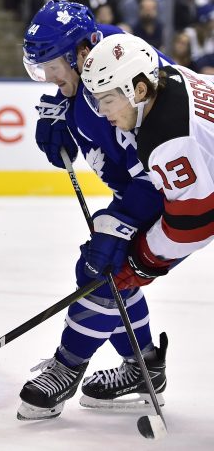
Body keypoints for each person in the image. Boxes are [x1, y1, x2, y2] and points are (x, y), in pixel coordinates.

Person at [17, 0, 169, 421]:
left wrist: (119, 225)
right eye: (41, 68)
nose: (48, 76)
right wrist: (62, 108)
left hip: (175, 187)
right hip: (145, 185)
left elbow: (159, 173)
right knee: (119, 275)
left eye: (53, 66)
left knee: (100, 271)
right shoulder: (92, 58)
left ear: (80, 53)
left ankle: (67, 366)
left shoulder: (119, 67)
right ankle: (145, 368)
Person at [81, 33, 209, 294]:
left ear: (139, 90)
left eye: (107, 100)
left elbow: (193, 227)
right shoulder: (174, 75)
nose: (102, 111)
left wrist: (139, 261)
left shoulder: (166, 142)